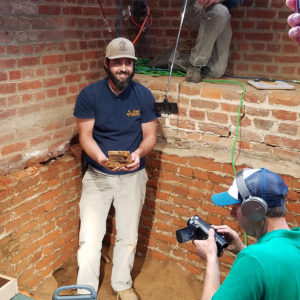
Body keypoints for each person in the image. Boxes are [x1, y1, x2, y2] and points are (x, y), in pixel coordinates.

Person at [73, 37, 160, 300]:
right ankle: (85, 289)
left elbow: (150, 137)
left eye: (128, 63)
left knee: (129, 235)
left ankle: (121, 284)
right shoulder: (90, 95)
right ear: (107, 64)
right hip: (98, 175)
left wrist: (138, 153)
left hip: (133, 177)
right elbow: (85, 136)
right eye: (118, 62)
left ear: (133, 65)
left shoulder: (144, 96)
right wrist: (100, 159)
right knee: (90, 237)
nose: (123, 68)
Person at [193, 167, 300, 300]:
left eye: (236, 207)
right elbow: (274, 266)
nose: (231, 213)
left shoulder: (253, 259)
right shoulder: (295, 243)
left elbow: (259, 262)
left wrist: (211, 258)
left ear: (254, 209)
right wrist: (241, 248)